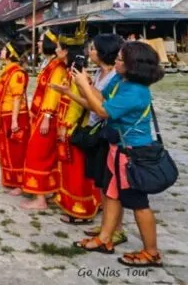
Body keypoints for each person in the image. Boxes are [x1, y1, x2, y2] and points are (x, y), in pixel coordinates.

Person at [72, 41, 165, 268]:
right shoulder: (122, 81)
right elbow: (102, 98)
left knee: (138, 202)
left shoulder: (135, 91)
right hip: (118, 148)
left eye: (121, 60)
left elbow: (103, 111)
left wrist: (83, 85)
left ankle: (151, 251)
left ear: (134, 65)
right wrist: (83, 82)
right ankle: (105, 238)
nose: (116, 62)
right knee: (112, 194)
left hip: (133, 152)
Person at [56, 34, 127, 245]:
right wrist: (70, 92)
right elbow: (90, 103)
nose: (90, 52)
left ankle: (114, 230)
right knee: (103, 184)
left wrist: (85, 84)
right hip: (97, 129)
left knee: (111, 186)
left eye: (94, 49)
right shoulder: (98, 73)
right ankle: (108, 224)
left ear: (105, 51)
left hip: (109, 132)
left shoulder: (116, 76)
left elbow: (104, 105)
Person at [49, 35, 100, 224]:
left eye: (59, 48)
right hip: (68, 125)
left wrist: (67, 125)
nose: (56, 51)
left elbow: (78, 105)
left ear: (66, 52)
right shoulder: (72, 74)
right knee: (70, 171)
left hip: (74, 128)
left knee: (77, 172)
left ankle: (80, 210)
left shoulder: (79, 76)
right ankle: (74, 204)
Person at [20, 29, 68, 210]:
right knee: (44, 155)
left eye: (41, 40)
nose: (38, 43)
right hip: (41, 115)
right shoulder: (50, 64)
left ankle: (40, 199)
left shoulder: (57, 68)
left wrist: (47, 116)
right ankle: (47, 190)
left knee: (38, 155)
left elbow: (53, 94)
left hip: (48, 116)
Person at [0, 40, 30, 195]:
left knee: (16, 150)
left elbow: (17, 97)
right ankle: (10, 179)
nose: (1, 51)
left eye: (4, 49)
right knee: (6, 150)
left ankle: (20, 183)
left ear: (11, 54)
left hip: (14, 116)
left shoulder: (17, 74)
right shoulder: (7, 71)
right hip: (5, 115)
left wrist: (14, 120)